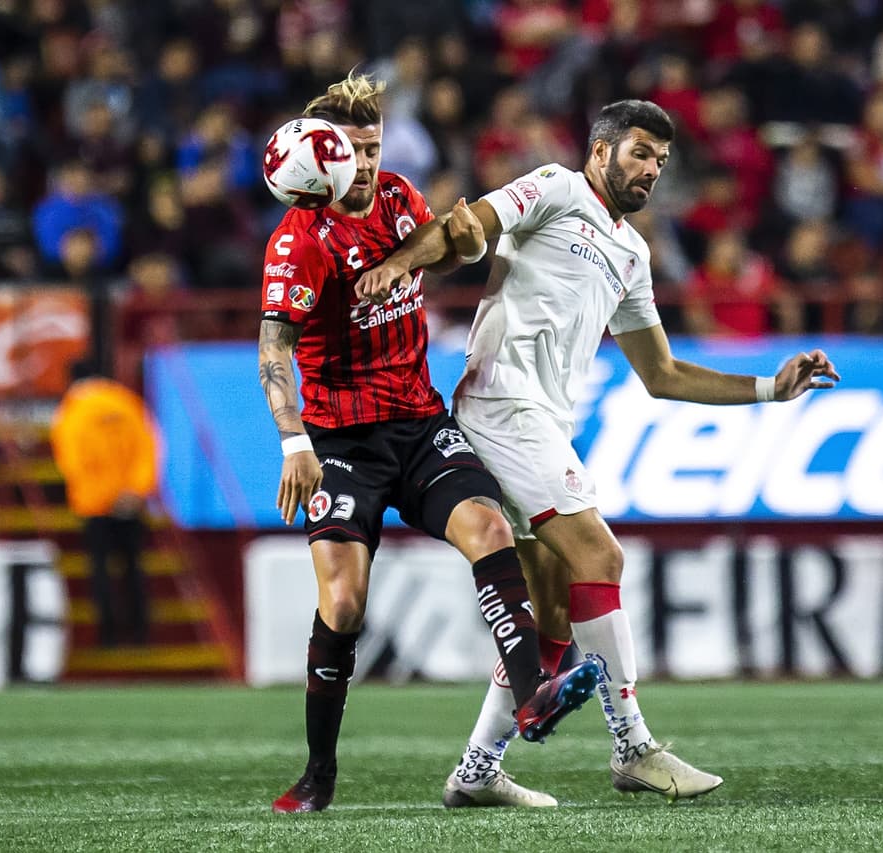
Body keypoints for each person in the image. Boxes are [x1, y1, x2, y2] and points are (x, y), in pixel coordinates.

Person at [357, 99, 841, 804]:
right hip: (501, 401)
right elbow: (471, 225)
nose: (651, 170)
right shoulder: (555, 187)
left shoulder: (633, 254)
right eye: (640, 153)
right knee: (601, 557)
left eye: (661, 161)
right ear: (601, 150)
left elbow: (662, 374)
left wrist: (770, 387)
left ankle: (478, 769)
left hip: (544, 421)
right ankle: (633, 746)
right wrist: (405, 261)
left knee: (552, 612)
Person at [256, 73, 599, 815]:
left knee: (490, 529)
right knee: (343, 603)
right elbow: (273, 348)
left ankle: (533, 695)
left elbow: (442, 251)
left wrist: (460, 245)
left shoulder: (399, 198)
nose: (365, 163)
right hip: (342, 442)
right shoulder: (300, 241)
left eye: (373, 147)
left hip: (418, 422)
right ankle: (318, 772)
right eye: (351, 150)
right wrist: (293, 441)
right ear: (320, 156)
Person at [50, 360, 158, 648]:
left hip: (95, 505)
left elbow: (71, 461)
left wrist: (104, 496)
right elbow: (148, 447)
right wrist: (134, 490)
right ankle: (140, 632)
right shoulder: (126, 402)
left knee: (100, 569)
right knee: (133, 567)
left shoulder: (71, 411)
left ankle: (108, 633)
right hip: (130, 503)